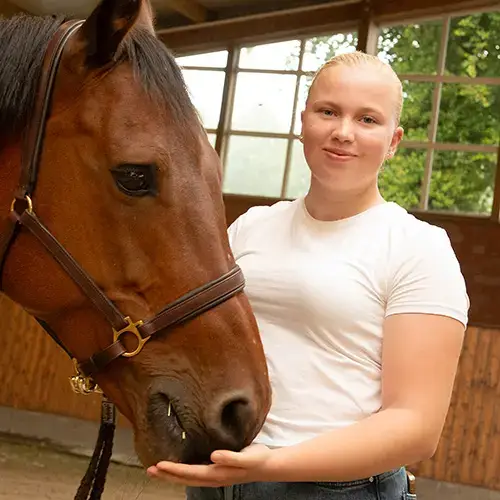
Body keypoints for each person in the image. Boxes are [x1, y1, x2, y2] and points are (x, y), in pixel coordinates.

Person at [147, 51, 470, 500]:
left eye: (367, 119)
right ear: (304, 121)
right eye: (328, 111)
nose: (343, 132)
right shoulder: (250, 227)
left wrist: (274, 464)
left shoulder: (419, 248)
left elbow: (416, 427)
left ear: (393, 141)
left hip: (338, 491)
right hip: (220, 479)